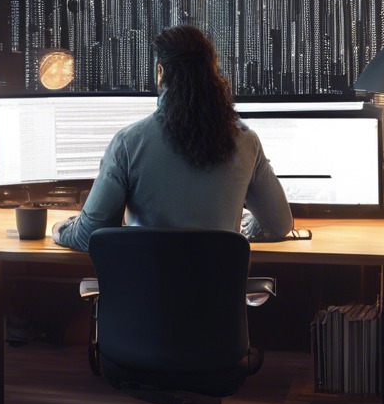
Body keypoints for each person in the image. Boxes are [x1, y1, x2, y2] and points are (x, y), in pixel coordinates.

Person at [52, 25, 293, 251]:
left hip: (147, 295)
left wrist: (60, 229)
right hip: (214, 296)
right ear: (212, 75)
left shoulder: (128, 144)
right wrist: (241, 231)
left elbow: (88, 235)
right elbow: (280, 224)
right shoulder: (246, 142)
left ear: (160, 72)